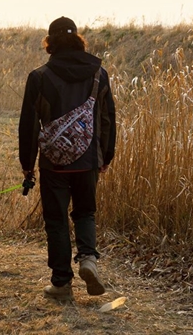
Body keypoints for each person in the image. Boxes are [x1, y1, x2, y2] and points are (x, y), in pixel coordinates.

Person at [18, 16, 116, 300]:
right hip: (88, 161)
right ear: (78, 39)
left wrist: (28, 165)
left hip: (53, 164)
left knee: (56, 220)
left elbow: (29, 125)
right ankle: (88, 259)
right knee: (85, 212)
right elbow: (108, 118)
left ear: (50, 42)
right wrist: (106, 155)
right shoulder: (100, 74)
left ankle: (61, 283)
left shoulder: (39, 77)